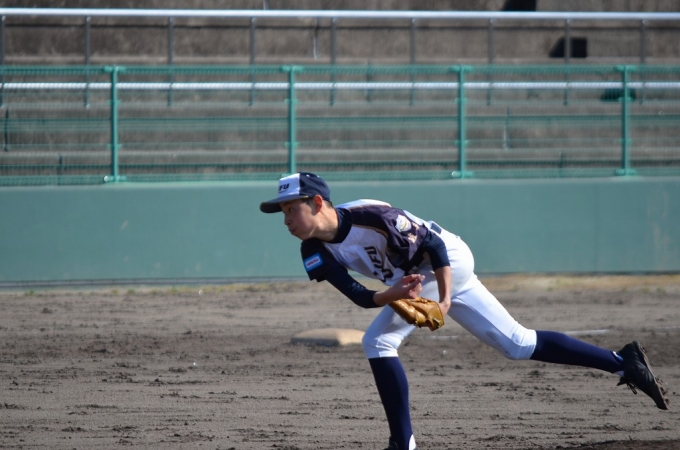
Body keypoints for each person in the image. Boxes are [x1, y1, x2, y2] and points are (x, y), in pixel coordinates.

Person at [260, 172, 669, 450]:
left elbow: (435, 247)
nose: (286, 219)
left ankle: (402, 443)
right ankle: (623, 363)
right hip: (412, 278)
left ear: (317, 202)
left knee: (378, 342)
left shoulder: (374, 216)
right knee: (517, 344)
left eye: (291, 208)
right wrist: (393, 294)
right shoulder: (313, 250)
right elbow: (358, 295)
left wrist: (444, 299)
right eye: (283, 212)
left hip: (446, 260)